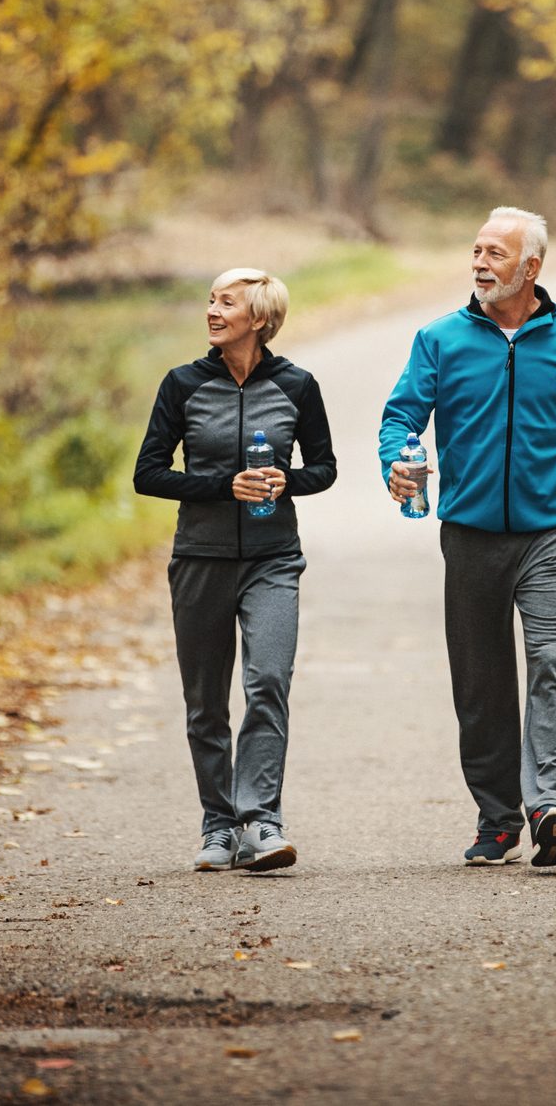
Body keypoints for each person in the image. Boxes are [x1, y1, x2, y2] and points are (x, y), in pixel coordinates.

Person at [380, 207, 556, 868]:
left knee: (549, 659)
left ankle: (552, 807)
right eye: (476, 249)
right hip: (469, 536)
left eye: (495, 253)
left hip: (552, 535)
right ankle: (497, 816)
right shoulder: (440, 339)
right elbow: (401, 416)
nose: (480, 263)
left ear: (530, 268)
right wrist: (396, 465)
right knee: (480, 686)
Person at [135, 267, 336, 873]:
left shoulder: (298, 386)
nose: (212, 311)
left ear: (260, 318)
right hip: (200, 560)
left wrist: (286, 479)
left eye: (227, 303)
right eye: (211, 301)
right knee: (205, 703)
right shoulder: (182, 385)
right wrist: (224, 486)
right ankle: (218, 825)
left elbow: (323, 468)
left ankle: (261, 821)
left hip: (274, 560)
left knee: (268, 681)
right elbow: (148, 473)